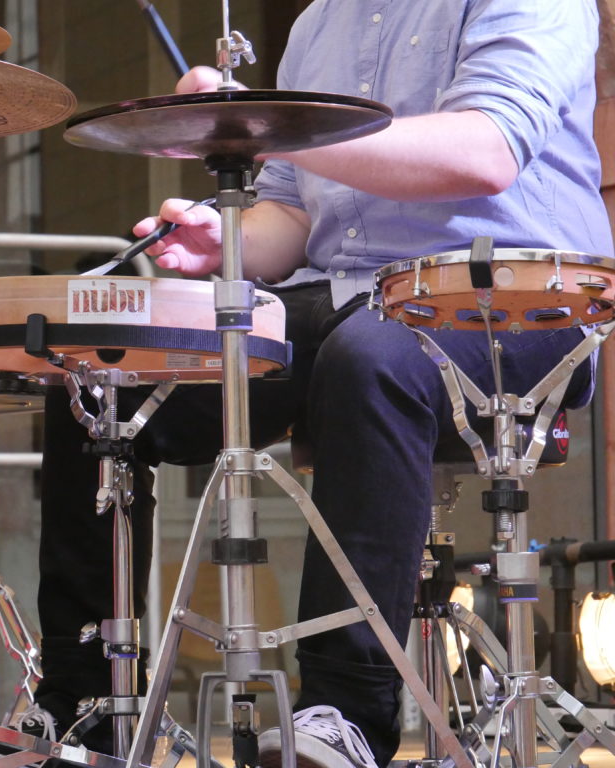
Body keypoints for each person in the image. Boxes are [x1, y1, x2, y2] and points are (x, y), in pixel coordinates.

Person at [31, 2, 613, 767]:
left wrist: (269, 124)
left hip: (512, 292)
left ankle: (344, 714)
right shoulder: (317, 24)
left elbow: (487, 151)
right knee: (102, 377)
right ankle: (84, 710)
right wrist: (226, 240)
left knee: (369, 356)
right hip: (341, 294)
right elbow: (293, 217)